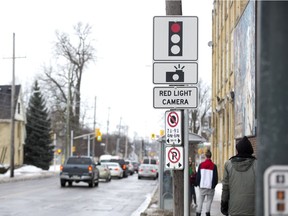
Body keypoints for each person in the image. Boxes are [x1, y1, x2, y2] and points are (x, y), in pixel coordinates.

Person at [221, 136, 257, 216]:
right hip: (253, 209)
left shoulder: (228, 165)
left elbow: (225, 188)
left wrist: (224, 204)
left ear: (238, 150)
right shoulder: (257, 165)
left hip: (234, 209)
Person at [195, 149, 218, 216]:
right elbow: (215, 178)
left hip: (202, 186)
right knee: (209, 201)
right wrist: (213, 185)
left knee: (200, 201)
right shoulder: (214, 166)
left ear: (205, 156)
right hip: (210, 187)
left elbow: (198, 176)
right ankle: (207, 213)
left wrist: (198, 184)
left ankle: (198, 213)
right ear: (211, 156)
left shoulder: (201, 165)